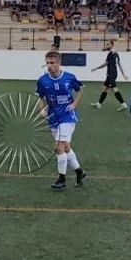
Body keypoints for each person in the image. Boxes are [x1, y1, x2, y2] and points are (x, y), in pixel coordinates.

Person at [35, 50, 87, 191]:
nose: (49, 66)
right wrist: (41, 109)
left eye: (52, 63)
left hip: (67, 116)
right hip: (53, 116)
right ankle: (79, 172)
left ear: (59, 63)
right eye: (47, 63)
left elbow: (81, 89)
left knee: (58, 147)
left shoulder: (69, 78)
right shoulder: (42, 80)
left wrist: (74, 104)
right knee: (66, 148)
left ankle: (61, 179)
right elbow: (40, 96)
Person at [90, 40, 128, 110]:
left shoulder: (111, 54)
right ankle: (99, 103)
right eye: (106, 44)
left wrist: (96, 68)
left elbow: (105, 64)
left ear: (112, 45)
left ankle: (123, 104)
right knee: (105, 89)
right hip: (112, 74)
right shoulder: (116, 53)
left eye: (108, 45)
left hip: (111, 74)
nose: (106, 46)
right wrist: (123, 74)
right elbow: (119, 65)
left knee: (115, 89)